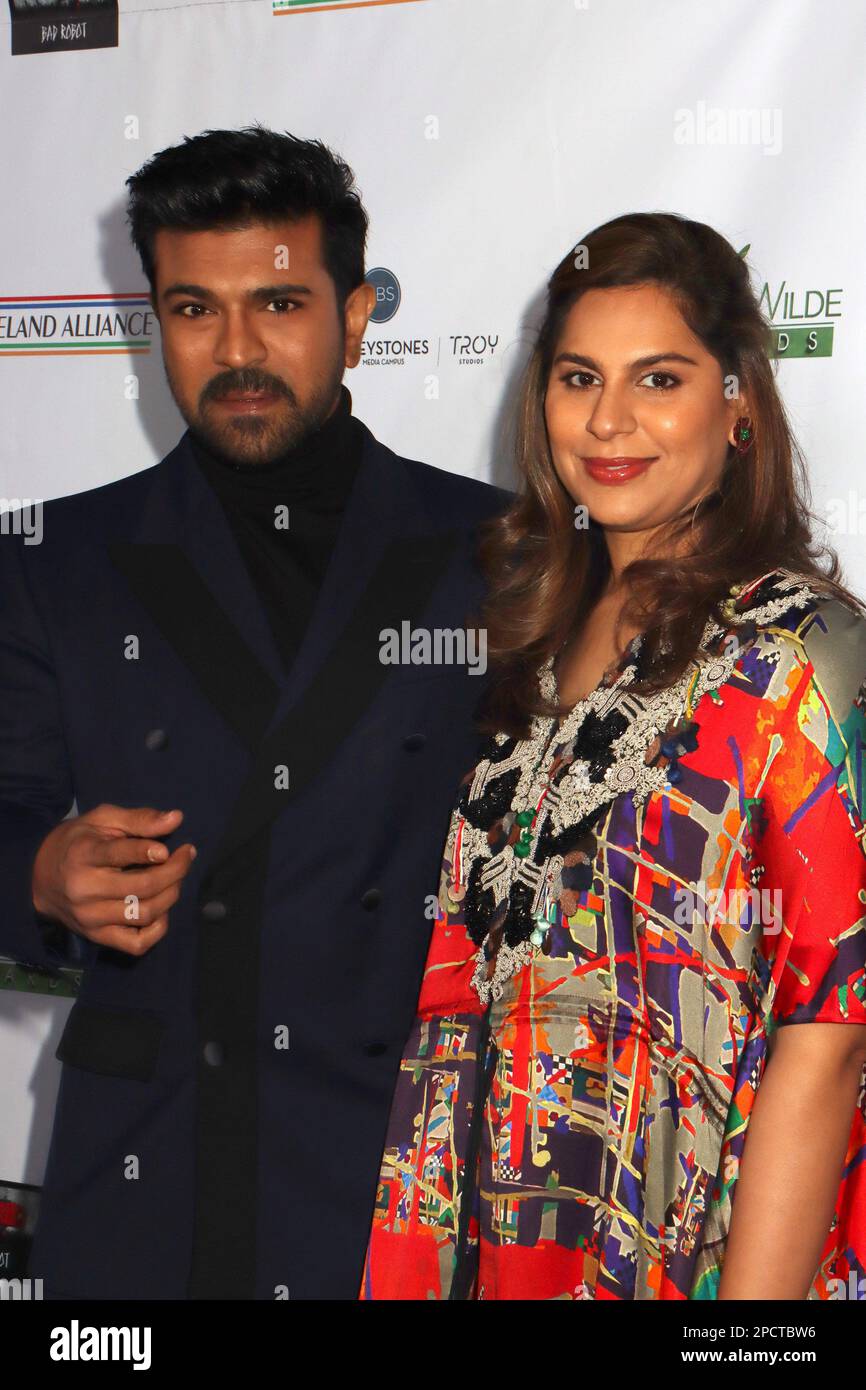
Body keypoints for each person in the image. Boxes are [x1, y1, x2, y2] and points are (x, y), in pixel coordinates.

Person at [0, 124, 508, 1299]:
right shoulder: (55, 559)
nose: (236, 349)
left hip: (409, 1160)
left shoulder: (498, 551)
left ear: (357, 314)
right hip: (155, 1176)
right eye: (193, 308)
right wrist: (40, 872)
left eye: (279, 302)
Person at [360, 211, 866, 1301]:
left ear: (736, 403)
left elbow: (824, 1035)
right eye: (578, 376)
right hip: (485, 1224)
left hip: (696, 1247)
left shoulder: (799, 651)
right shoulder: (524, 637)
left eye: (659, 379)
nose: (608, 420)